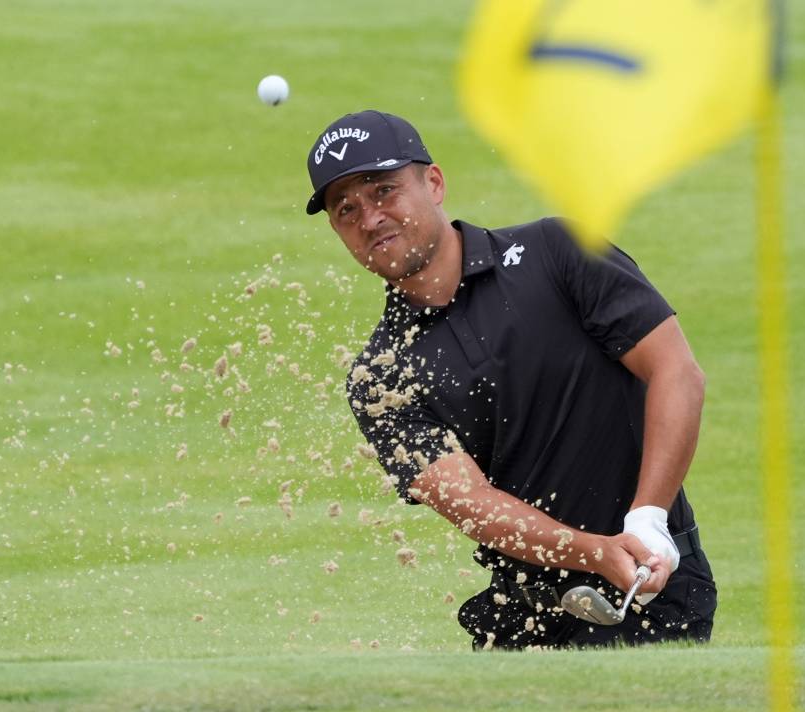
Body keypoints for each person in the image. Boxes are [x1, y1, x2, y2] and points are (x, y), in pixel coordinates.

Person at [304, 110, 717, 649]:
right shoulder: (381, 378)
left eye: (385, 191)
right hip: (522, 616)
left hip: (653, 583)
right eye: (346, 210)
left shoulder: (558, 251)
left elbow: (676, 372)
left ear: (433, 183)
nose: (370, 217)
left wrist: (647, 518)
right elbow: (470, 501)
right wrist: (593, 551)